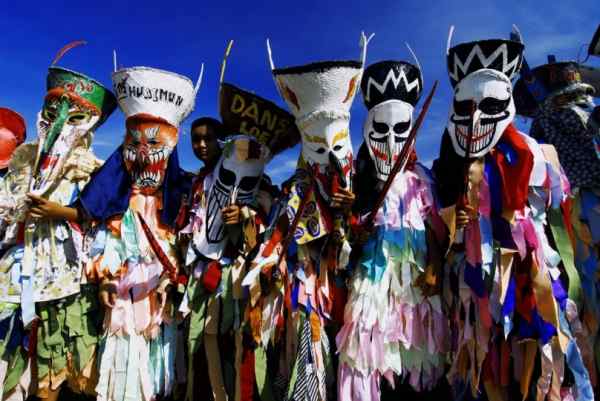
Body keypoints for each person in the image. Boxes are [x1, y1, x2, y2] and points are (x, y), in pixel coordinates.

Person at [432, 28, 594, 400]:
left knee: (541, 352)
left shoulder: (536, 154)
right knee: (488, 358)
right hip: (477, 284)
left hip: (531, 274)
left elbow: (557, 211)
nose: (474, 122)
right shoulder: (454, 164)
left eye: (487, 106)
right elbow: (448, 219)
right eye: (465, 108)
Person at [179, 42, 300, 401]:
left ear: (221, 142)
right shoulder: (196, 183)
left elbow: (274, 219)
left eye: (208, 139)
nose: (201, 145)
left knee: (243, 343)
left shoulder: (262, 185)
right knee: (204, 338)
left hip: (244, 278)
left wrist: (248, 217)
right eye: (196, 140)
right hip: (206, 275)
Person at [0, 42, 117, 401]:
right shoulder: (23, 162)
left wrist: (57, 212)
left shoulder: (92, 171)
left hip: (68, 278)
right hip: (16, 274)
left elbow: (103, 224)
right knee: (11, 359)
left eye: (76, 114)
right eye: (55, 106)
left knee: (62, 369)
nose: (62, 117)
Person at [80, 63, 200, 401]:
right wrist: (106, 276)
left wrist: (173, 276)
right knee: (123, 350)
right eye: (135, 143)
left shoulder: (182, 200)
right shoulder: (119, 201)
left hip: (160, 294)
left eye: (154, 142)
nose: (144, 153)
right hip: (124, 292)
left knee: (160, 353)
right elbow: (109, 241)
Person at [265, 32, 371, 400]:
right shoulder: (294, 190)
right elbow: (287, 240)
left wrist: (351, 212)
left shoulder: (364, 184)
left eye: (338, 146)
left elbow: (368, 239)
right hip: (313, 288)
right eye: (319, 147)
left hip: (354, 288)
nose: (330, 157)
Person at [336, 59, 447, 401]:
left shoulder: (424, 180)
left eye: (401, 129)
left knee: (415, 360)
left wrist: (433, 268)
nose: (390, 140)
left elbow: (435, 229)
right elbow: (346, 241)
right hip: (371, 287)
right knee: (365, 356)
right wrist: (354, 230)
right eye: (380, 130)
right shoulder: (356, 182)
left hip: (414, 288)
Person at [514, 59, 600, 390]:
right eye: (571, 101)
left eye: (584, 99)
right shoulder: (546, 132)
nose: (584, 108)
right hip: (576, 212)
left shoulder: (579, 116)